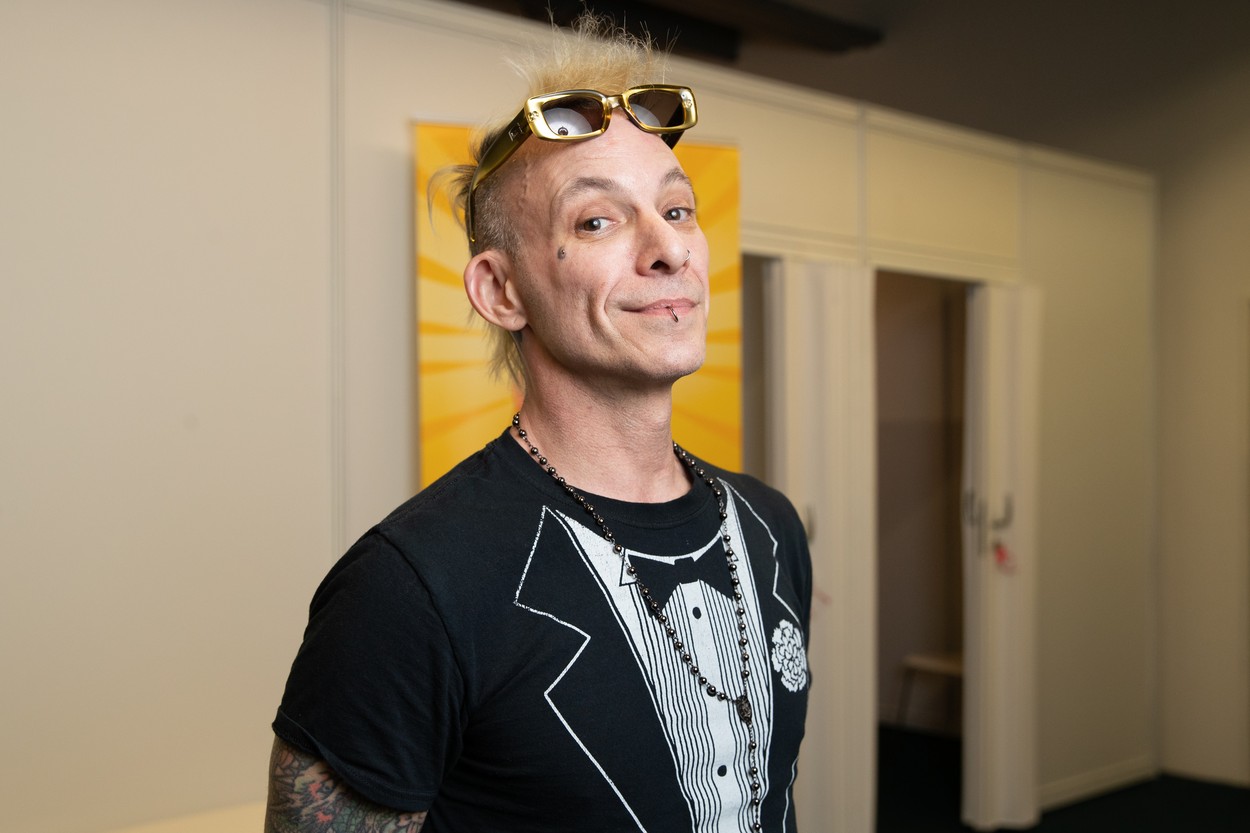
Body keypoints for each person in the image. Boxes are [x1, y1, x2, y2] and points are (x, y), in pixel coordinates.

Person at [266, 16, 812, 833]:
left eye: (678, 209)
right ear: (500, 291)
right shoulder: (410, 587)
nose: (669, 250)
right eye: (597, 221)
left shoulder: (770, 528)